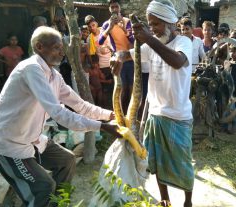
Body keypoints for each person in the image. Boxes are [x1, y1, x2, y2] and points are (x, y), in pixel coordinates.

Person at [0, 26, 121, 207]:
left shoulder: (54, 75)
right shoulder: (31, 69)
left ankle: (57, 204)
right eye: (56, 48)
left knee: (67, 160)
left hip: (32, 139)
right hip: (8, 143)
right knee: (43, 186)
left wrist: (110, 114)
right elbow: (58, 112)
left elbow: (79, 105)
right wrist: (101, 126)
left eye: (61, 48)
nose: (62, 52)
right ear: (39, 47)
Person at [110, 0, 194, 206]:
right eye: (150, 24)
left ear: (170, 23)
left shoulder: (183, 42)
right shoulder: (149, 45)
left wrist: (148, 38)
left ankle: (188, 202)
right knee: (154, 161)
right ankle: (164, 199)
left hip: (178, 116)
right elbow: (126, 54)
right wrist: (117, 57)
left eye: (156, 24)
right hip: (155, 115)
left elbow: (176, 61)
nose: (153, 29)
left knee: (183, 164)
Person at [99, 0, 134, 114]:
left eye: (116, 7)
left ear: (119, 8)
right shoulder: (106, 24)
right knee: (121, 89)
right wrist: (110, 27)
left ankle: (131, 114)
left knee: (131, 88)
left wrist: (123, 28)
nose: (114, 9)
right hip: (118, 60)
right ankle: (120, 114)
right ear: (109, 9)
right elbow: (100, 41)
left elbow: (133, 40)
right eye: (112, 7)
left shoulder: (127, 21)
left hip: (130, 59)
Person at [85, 15, 113, 108]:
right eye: (89, 26)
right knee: (104, 90)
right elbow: (92, 55)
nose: (92, 28)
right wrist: (97, 69)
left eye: (93, 25)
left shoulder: (105, 30)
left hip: (113, 63)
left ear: (96, 23)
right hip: (102, 67)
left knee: (114, 88)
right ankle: (105, 110)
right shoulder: (90, 39)